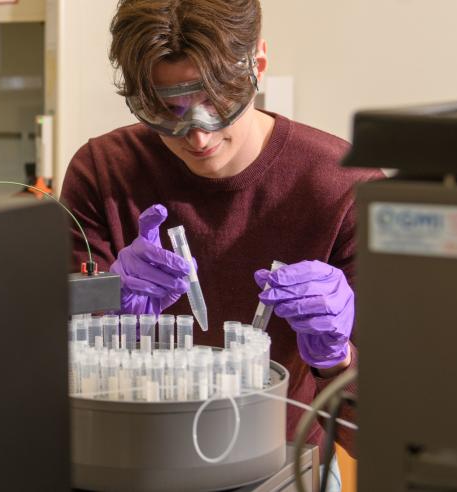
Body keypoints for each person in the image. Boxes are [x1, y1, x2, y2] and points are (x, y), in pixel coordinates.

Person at [60, 0, 382, 476]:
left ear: (260, 62)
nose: (198, 135)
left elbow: (381, 435)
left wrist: (338, 361)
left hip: (282, 466)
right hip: (130, 462)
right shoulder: (102, 172)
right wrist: (101, 303)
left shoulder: (344, 189)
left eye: (218, 101)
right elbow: (44, 370)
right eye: (166, 110)